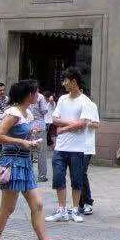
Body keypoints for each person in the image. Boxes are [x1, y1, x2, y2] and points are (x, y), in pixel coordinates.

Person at [0, 80, 68, 240]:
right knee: (7, 208)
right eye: (36, 92)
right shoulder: (13, 113)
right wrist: (22, 142)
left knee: (37, 204)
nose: (38, 95)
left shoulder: (27, 112)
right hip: (13, 163)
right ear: (28, 95)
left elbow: (21, 134)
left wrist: (31, 137)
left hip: (25, 163)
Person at [45, 68, 90, 223]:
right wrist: (73, 124)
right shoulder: (63, 99)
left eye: (65, 80)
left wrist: (64, 128)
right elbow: (54, 119)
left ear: (73, 81)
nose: (63, 83)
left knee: (76, 180)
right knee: (58, 178)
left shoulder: (85, 101)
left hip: (77, 148)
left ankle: (75, 210)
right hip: (60, 148)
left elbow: (83, 124)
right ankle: (62, 209)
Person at [78, 97, 99, 216]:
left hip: (86, 146)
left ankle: (87, 202)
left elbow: (96, 124)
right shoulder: (70, 103)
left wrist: (86, 123)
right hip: (73, 145)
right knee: (76, 174)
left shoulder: (91, 105)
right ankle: (79, 203)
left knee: (82, 173)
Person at [29, 86, 50, 182]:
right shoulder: (40, 97)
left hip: (29, 126)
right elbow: (44, 110)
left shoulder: (26, 95)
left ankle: (28, 174)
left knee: (28, 150)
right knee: (41, 152)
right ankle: (42, 175)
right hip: (40, 126)